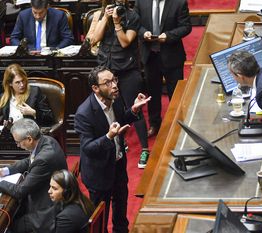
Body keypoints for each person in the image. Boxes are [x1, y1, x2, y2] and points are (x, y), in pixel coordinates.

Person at [74, 66, 151, 233]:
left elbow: (122, 118)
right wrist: (108, 137)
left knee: (121, 207)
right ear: (96, 88)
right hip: (98, 172)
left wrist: (134, 110)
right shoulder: (84, 113)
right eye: (107, 83)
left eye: (114, 80)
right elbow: (88, 149)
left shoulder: (114, 98)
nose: (114, 85)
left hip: (118, 163)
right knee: (100, 218)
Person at [86, 0, 151, 168]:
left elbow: (125, 42)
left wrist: (116, 23)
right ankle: (119, 143)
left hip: (128, 70)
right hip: (107, 71)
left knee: (134, 109)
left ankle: (145, 149)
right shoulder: (101, 15)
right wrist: (105, 19)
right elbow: (93, 40)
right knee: (112, 109)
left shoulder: (132, 16)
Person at [134, 0, 192, 137]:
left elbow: (186, 26)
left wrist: (169, 36)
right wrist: (144, 33)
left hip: (172, 56)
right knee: (152, 93)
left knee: (175, 93)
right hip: (150, 56)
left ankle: (178, 124)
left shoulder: (179, 3)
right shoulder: (141, 2)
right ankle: (155, 124)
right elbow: (135, 24)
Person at [0, 118, 67, 233]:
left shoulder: (45, 158)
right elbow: (29, 161)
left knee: (9, 226)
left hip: (46, 211)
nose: (17, 145)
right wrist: (5, 171)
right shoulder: (46, 140)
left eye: (18, 142)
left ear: (29, 139)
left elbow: (20, 191)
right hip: (42, 197)